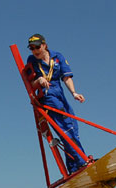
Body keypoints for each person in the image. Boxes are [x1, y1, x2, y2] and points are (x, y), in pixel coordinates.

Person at [26, 33, 88, 174]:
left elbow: (66, 77)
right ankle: (82, 161)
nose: (35, 51)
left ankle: (73, 167)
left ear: (44, 45)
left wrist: (74, 93)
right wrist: (39, 80)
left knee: (73, 128)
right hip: (47, 96)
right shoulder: (32, 60)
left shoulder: (57, 56)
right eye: (31, 48)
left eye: (37, 47)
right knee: (65, 129)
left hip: (60, 93)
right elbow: (30, 83)